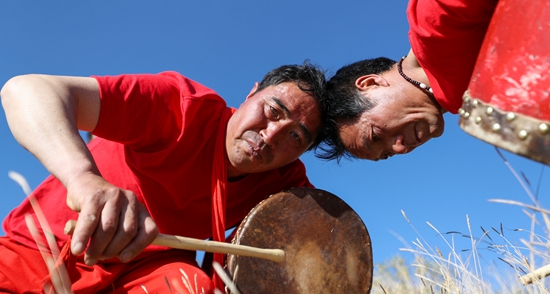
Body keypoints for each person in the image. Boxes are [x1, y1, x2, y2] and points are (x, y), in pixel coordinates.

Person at [0, 63, 328, 293]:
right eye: (273, 111)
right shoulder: (180, 107)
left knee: (192, 288)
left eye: (296, 137)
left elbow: (328, 248)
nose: (271, 136)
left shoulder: (287, 186)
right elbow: (26, 89)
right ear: (252, 92)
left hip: (148, 278)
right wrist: (84, 179)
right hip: (38, 252)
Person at [318, 0, 550, 162]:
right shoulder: (457, 93)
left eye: (376, 136)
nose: (400, 149)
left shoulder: (433, 33)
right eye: (387, 154)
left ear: (370, 83)